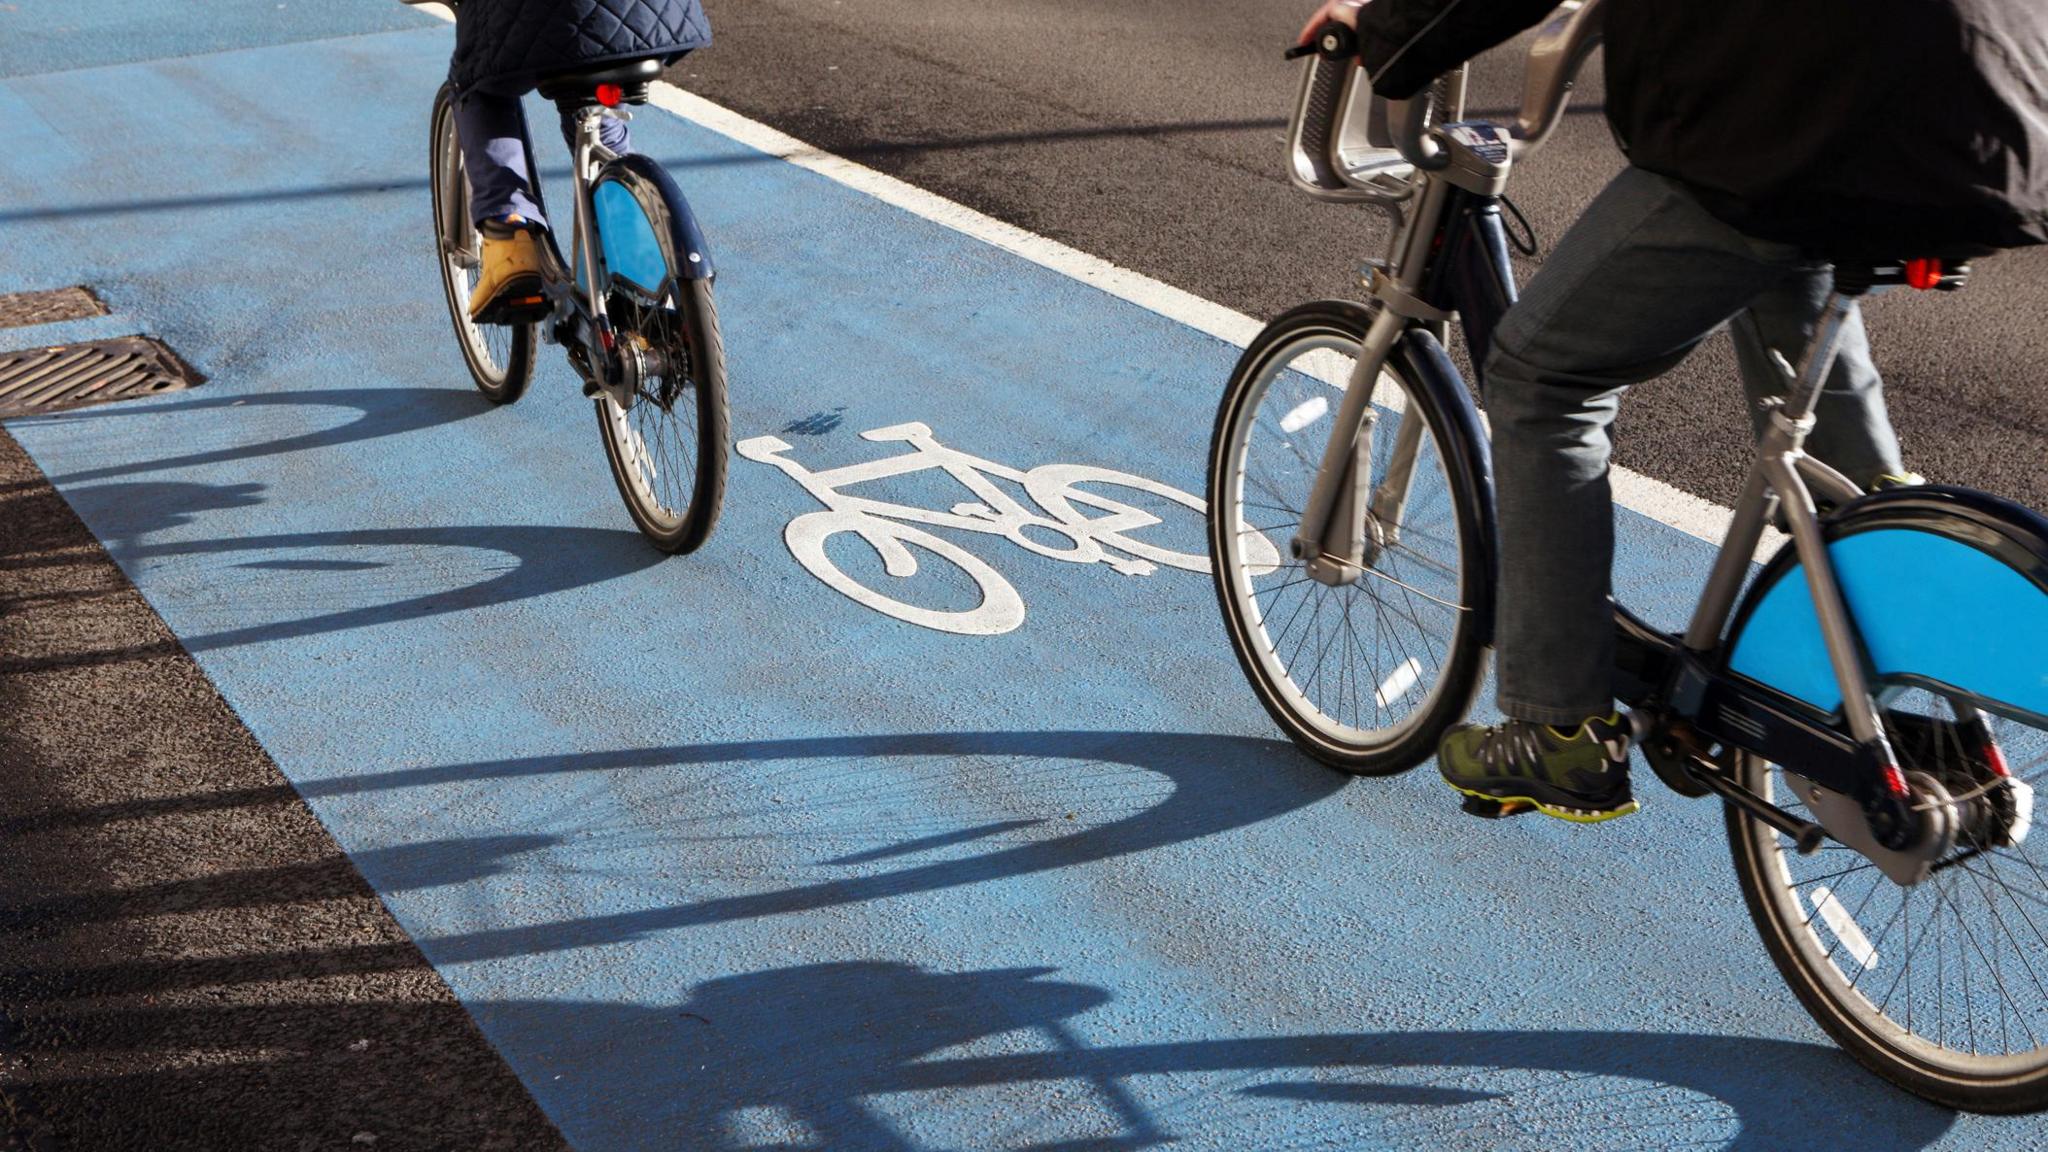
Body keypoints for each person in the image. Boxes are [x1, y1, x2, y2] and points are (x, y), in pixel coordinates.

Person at [1297, 0, 2048, 821]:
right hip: (1991, 122)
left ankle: (1559, 728)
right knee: (1791, 263)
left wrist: (1386, 31)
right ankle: (1888, 550)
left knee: (1538, 376)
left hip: (1795, 120)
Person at [449, 0, 711, 322]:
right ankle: (623, 213)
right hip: (656, 17)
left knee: (476, 83)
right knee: (592, 64)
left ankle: (508, 234)